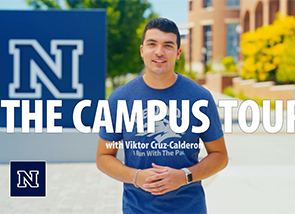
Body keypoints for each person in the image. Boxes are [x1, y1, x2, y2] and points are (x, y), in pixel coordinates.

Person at [96, 18, 228, 214]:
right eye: (152, 44)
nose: (159, 51)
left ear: (178, 53)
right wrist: (136, 176)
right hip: (137, 209)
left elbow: (220, 156)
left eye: (168, 45)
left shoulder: (199, 98)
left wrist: (185, 176)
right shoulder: (119, 99)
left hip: (189, 208)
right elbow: (103, 157)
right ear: (142, 51)